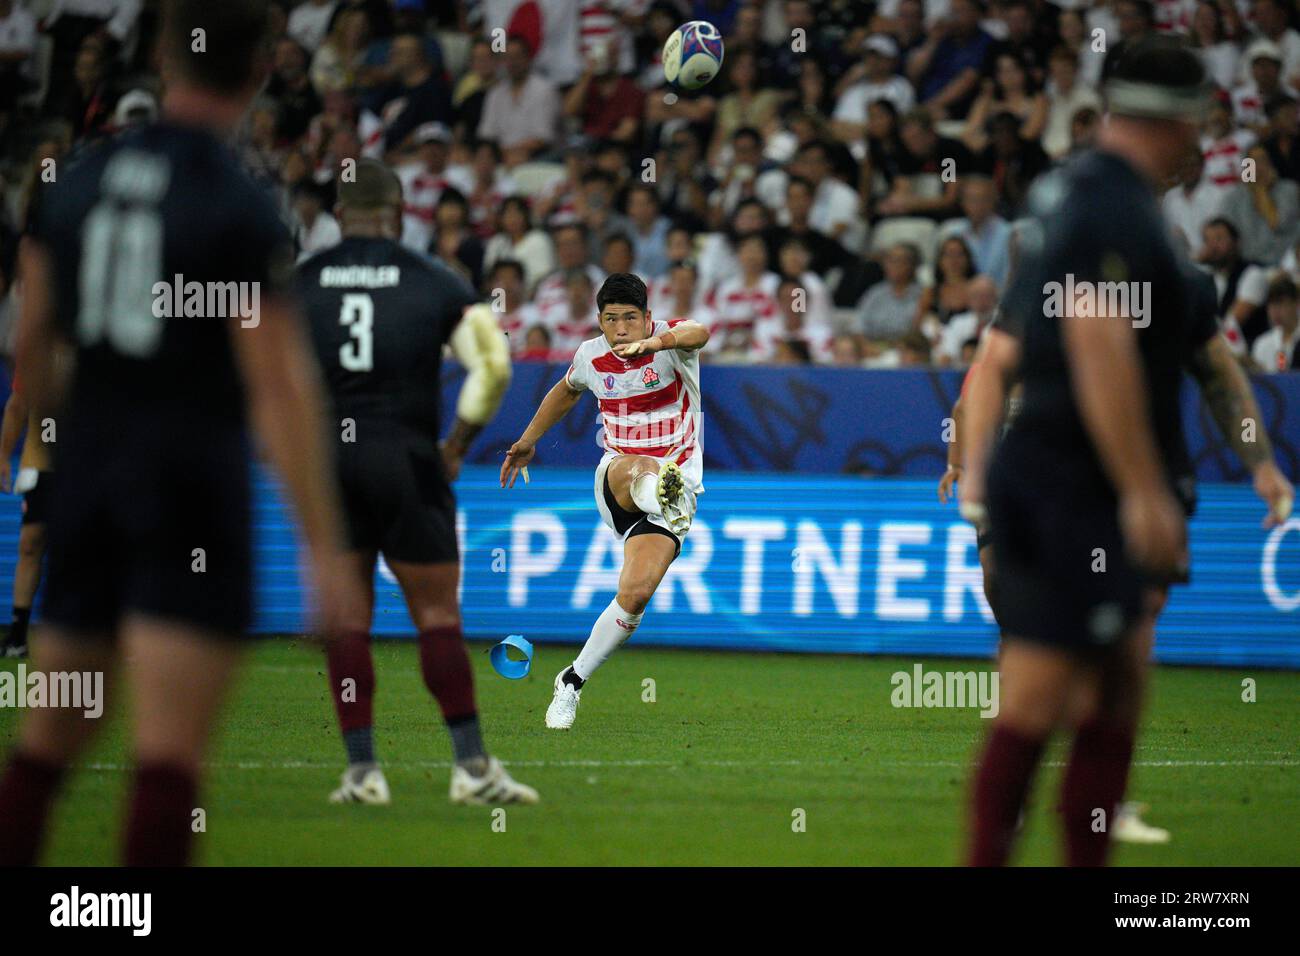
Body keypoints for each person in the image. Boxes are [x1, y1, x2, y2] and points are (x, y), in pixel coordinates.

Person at [0, 0, 365, 866]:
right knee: (166, 759)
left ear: (165, 54)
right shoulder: (235, 203)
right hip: (190, 489)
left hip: (90, 479)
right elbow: (278, 387)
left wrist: (54, 445)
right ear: (263, 68)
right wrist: (323, 549)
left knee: (47, 745)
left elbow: (33, 345)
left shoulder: (79, 182)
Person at [959, 37, 1294, 867]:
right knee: (1039, 698)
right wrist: (1143, 487)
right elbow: (1098, 337)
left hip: (1075, 483)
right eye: (1201, 124)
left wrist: (1258, 460)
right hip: (1079, 488)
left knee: (1118, 686)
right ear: (1181, 123)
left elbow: (1215, 368)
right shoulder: (1108, 209)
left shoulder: (1106, 213)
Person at [299, 158, 537, 806]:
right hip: (405, 455)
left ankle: (361, 774)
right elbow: (493, 366)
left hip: (331, 463)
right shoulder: (434, 280)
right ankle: (472, 769)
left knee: (346, 621)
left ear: (338, 215)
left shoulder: (299, 283)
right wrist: (456, 445)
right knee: (436, 615)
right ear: (401, 212)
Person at [501, 273, 708, 730]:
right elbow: (567, 390)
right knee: (642, 468)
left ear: (647, 319)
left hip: (673, 500)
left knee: (634, 595)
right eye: (611, 319)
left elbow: (701, 331)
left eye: (630, 319)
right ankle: (658, 488)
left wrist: (658, 344)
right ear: (599, 321)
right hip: (618, 479)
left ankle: (570, 682)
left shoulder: (672, 342)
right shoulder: (590, 355)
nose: (620, 329)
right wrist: (528, 440)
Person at [0, 372, 55, 658]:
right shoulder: (40, 344)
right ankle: (18, 637)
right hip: (43, 464)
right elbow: (17, 404)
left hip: (90, 462)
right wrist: (3, 456)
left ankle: (116, 638)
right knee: (30, 543)